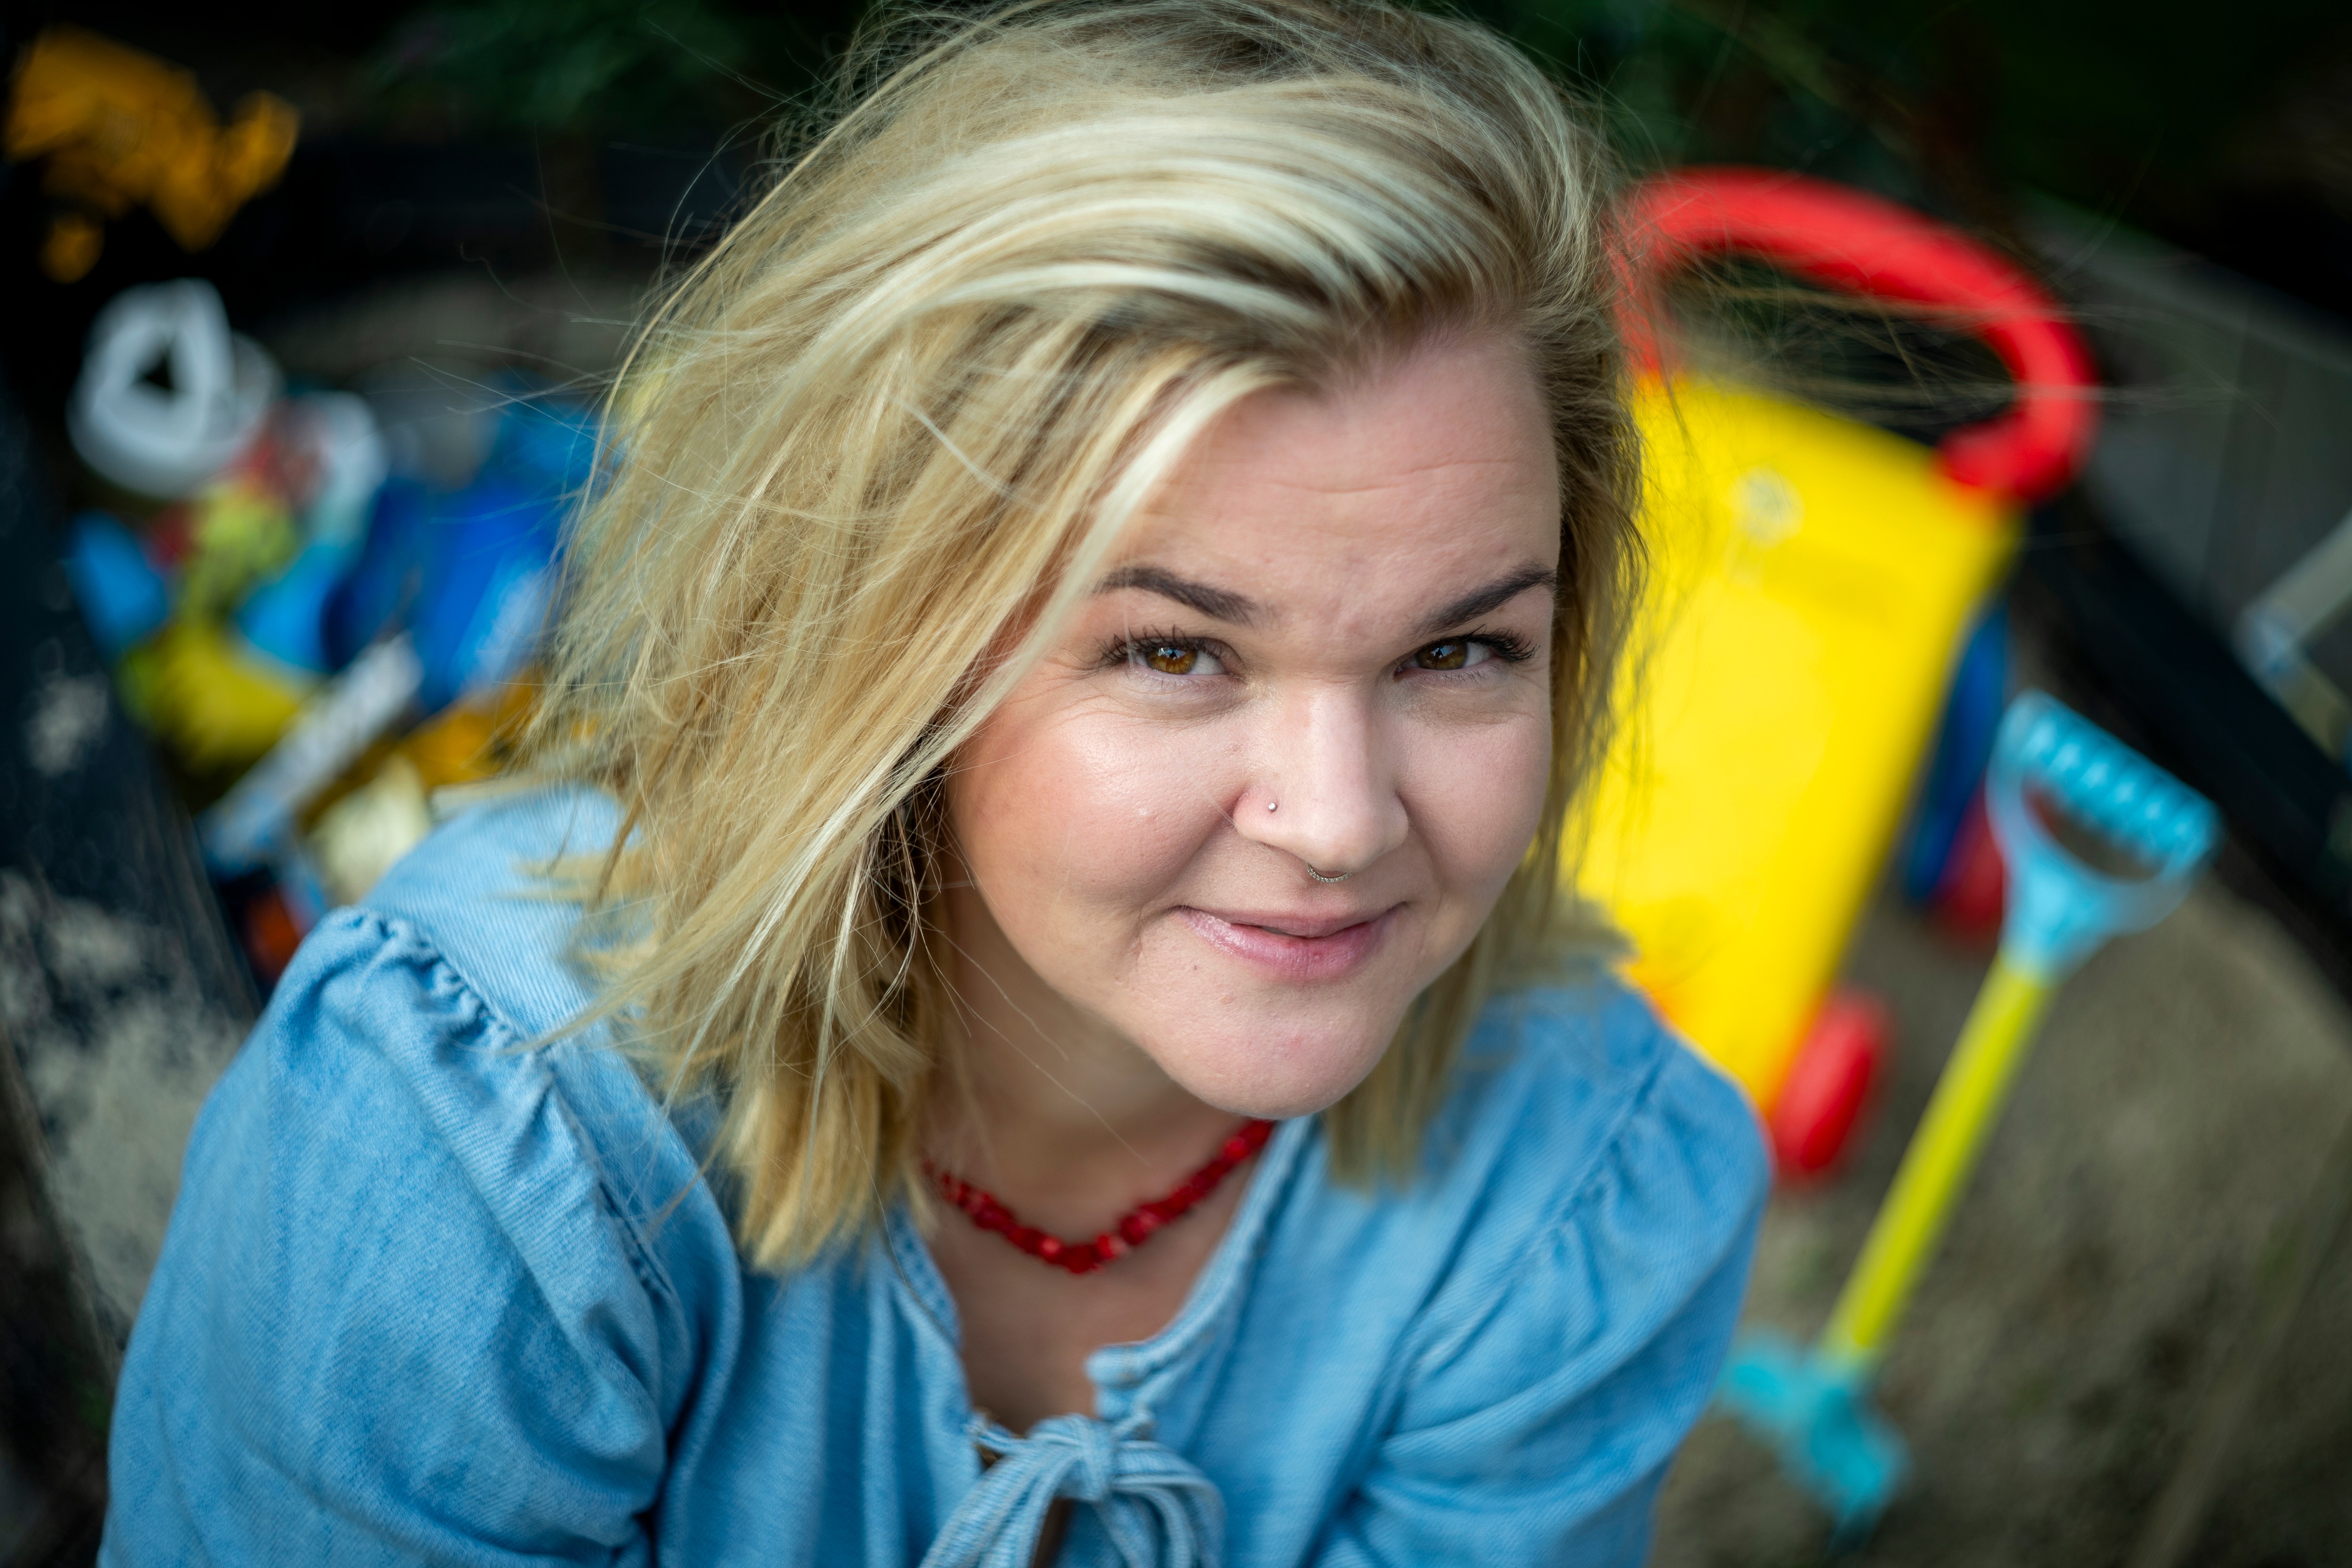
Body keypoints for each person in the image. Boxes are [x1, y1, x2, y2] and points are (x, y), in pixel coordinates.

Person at [103, 2, 1766, 1562]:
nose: (1339, 823)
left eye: (1459, 650)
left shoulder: (1575, 1199)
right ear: (886, 643)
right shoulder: (483, 1139)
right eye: (1174, 652)